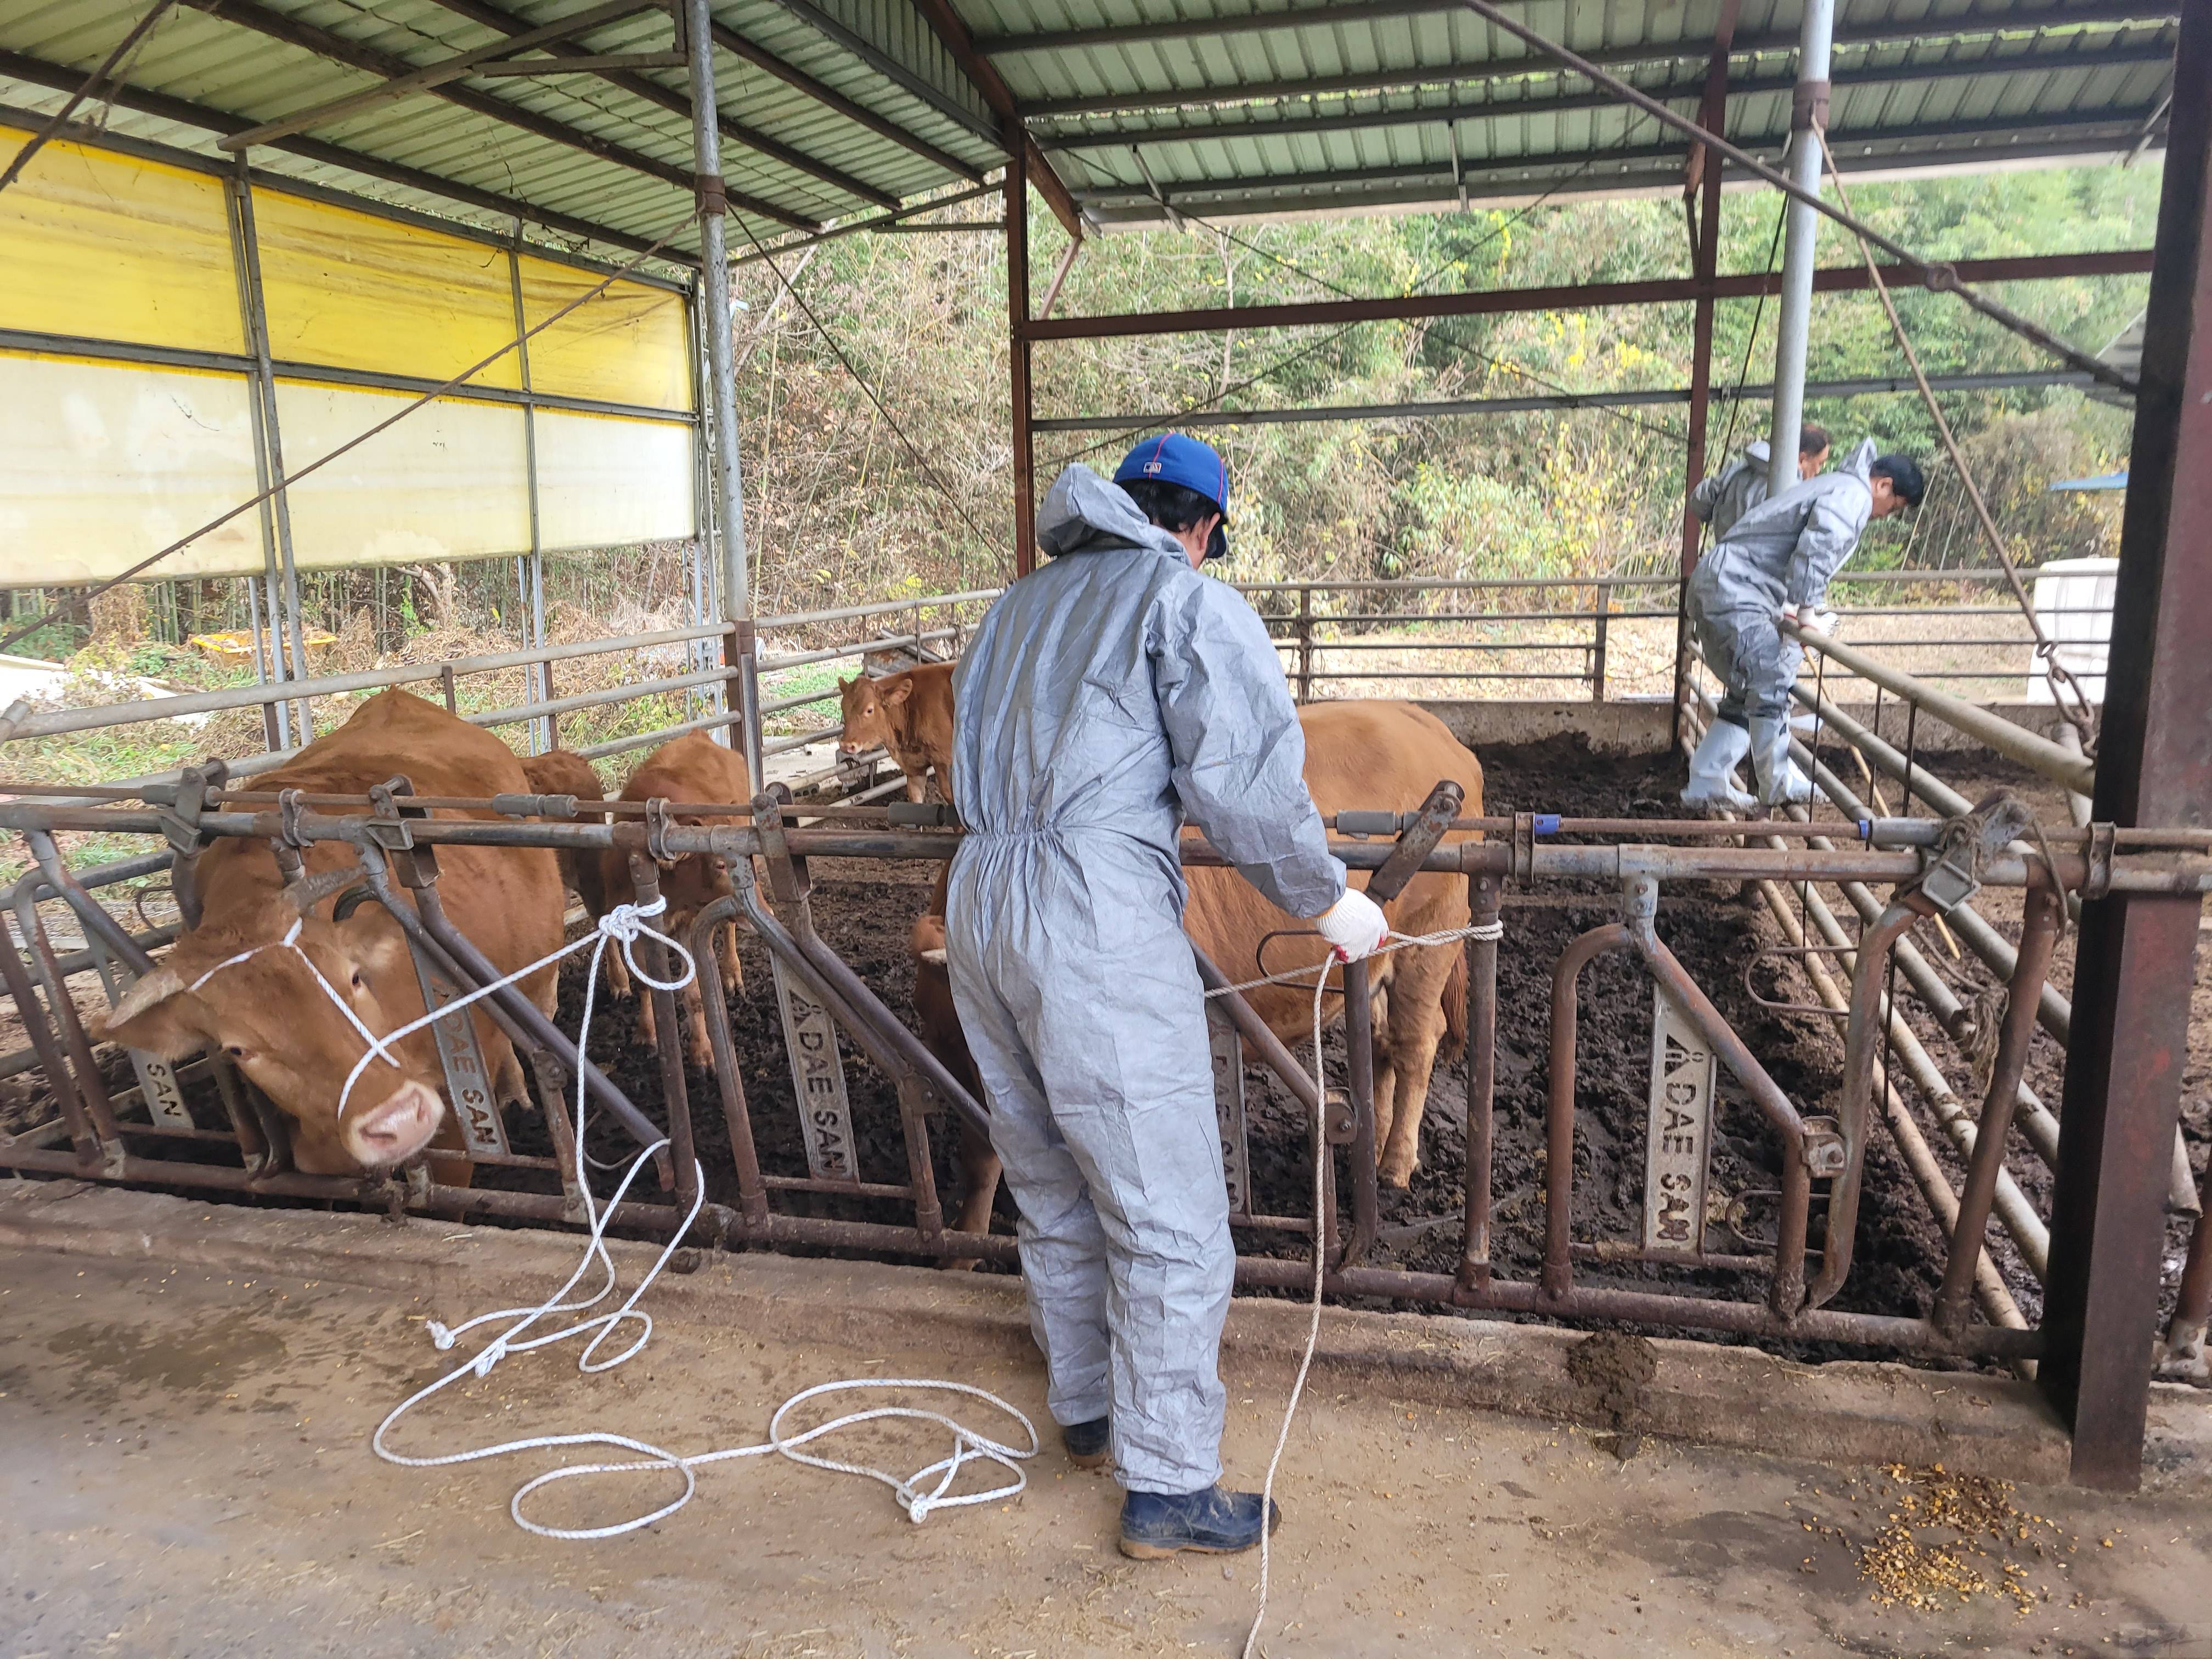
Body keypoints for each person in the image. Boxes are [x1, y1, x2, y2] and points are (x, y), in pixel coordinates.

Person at [942, 433, 1389, 1560]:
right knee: (1166, 1205)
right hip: (1090, 906)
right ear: (1202, 528)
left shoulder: (1014, 609)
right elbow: (1243, 782)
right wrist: (1327, 899)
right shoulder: (1181, 600)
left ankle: (1088, 1412)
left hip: (980, 893)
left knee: (1050, 1173)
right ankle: (1170, 1485)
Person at [1683, 438, 1925, 809]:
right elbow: (1818, 548)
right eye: (1893, 508)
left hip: (1729, 584)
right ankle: (1777, 781)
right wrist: (1807, 611)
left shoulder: (1834, 485)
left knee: (1749, 691)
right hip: (1737, 589)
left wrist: (1792, 606)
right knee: (1771, 680)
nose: (1885, 515)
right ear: (1884, 485)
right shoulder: (1852, 495)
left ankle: (1707, 782)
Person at [1689, 422, 1832, 541]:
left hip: (1723, 561)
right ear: (1802, 459)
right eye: (1820, 463)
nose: (1819, 470)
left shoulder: (1739, 469)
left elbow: (1699, 502)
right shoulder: (1795, 495)